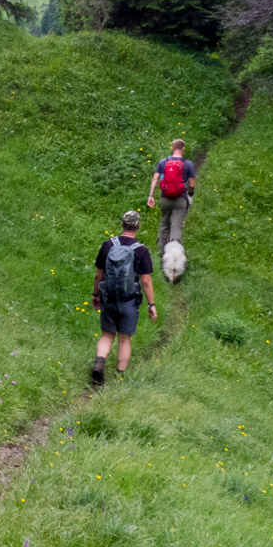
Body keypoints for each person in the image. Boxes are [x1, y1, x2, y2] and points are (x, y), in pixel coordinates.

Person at [91, 209, 157, 386]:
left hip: (109, 297)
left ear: (122, 224)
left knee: (107, 335)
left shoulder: (108, 245)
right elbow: (146, 280)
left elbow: (99, 275)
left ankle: (99, 362)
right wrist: (152, 304)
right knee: (124, 338)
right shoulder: (141, 250)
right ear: (138, 227)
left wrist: (96, 295)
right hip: (129, 300)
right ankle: (120, 377)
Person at [147, 138, 197, 246]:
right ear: (183, 148)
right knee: (176, 226)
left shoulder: (163, 162)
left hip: (165, 198)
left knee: (164, 224)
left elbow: (155, 179)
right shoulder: (188, 164)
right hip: (180, 199)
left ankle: (162, 252)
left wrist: (151, 195)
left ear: (172, 148)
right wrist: (190, 194)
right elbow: (192, 184)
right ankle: (173, 253)